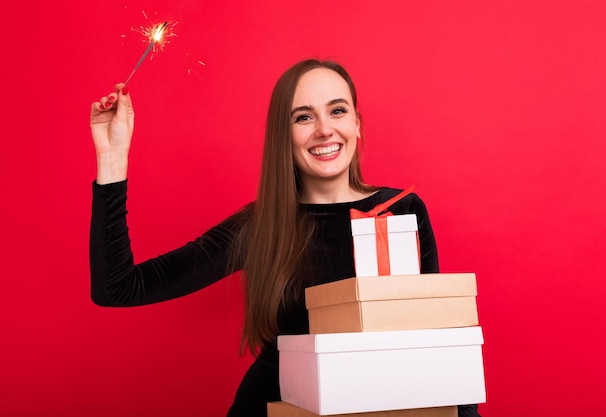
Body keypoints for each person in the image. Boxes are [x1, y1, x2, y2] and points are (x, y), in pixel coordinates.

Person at [89, 59, 480, 417]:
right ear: (283, 135)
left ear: (357, 124)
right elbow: (119, 288)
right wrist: (112, 159)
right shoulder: (260, 226)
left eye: (338, 110)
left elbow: (436, 342)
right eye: (303, 117)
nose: (325, 128)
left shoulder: (403, 209)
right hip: (278, 405)